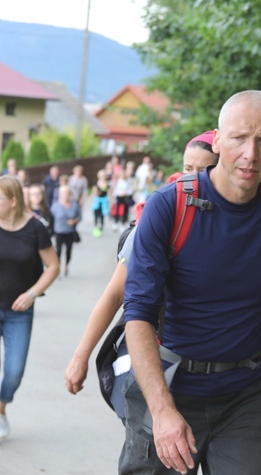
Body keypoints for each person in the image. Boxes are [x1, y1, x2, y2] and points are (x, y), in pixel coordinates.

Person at [120, 91, 261, 475]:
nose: (250, 154)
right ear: (218, 140)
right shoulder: (169, 206)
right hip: (170, 384)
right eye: (239, 138)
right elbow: (137, 313)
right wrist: (161, 411)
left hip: (245, 395)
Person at [64, 130, 218, 399]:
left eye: (204, 170)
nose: (191, 177)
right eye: (187, 168)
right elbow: (115, 294)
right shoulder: (159, 217)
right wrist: (81, 356)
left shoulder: (232, 220)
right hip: (159, 358)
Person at [0, 176, 60, 447]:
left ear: (14, 200)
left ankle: (1, 407)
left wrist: (31, 294)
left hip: (20, 313)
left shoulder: (35, 229)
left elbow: (53, 266)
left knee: (15, 371)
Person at [50, 184, 81, 277]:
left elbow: (79, 216)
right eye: (63, 193)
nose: (65, 195)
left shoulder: (74, 205)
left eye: (67, 193)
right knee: (58, 250)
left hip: (69, 231)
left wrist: (74, 221)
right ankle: (58, 268)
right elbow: (51, 218)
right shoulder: (55, 206)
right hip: (59, 231)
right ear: (60, 194)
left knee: (69, 250)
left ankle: (67, 265)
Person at [91, 170, 111, 237]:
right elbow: (94, 193)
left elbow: (109, 193)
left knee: (102, 216)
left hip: (104, 202)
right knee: (96, 215)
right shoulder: (96, 183)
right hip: (97, 201)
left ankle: (101, 227)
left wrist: (110, 201)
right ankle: (96, 227)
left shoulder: (107, 184)